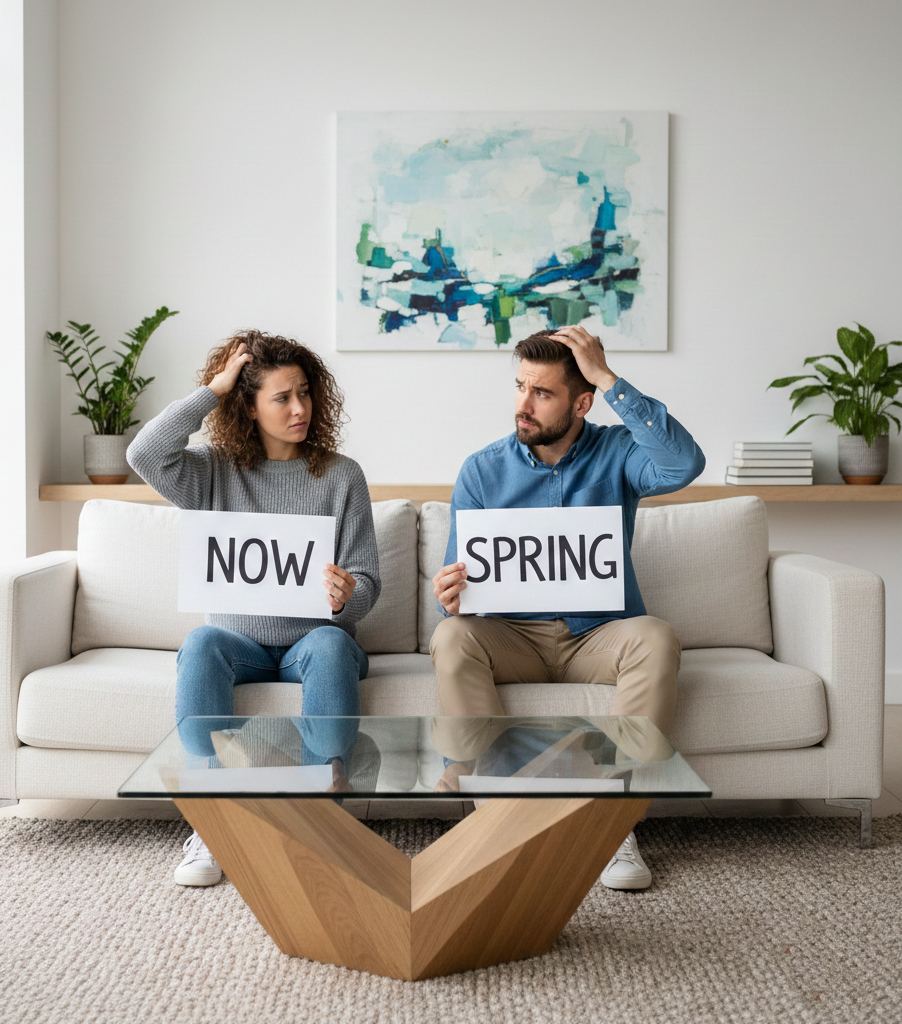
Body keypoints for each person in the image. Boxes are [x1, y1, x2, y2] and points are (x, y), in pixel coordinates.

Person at [430, 324, 704, 890]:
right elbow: (462, 592)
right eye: (519, 387)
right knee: (451, 639)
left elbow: (683, 465)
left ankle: (607, 825)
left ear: (582, 401)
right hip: (514, 638)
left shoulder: (618, 452)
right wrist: (452, 594)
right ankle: (499, 820)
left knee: (655, 637)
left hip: (597, 636)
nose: (523, 406)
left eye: (543, 393)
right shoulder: (482, 470)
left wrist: (610, 378)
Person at [127, 330, 380, 887]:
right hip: (239, 645)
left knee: (334, 643)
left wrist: (349, 593)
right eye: (282, 397)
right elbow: (143, 453)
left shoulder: (341, 475)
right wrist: (211, 391)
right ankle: (212, 820)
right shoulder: (210, 472)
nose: (300, 409)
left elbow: (368, 581)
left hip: (313, 642)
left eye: (306, 393)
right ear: (247, 405)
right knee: (199, 643)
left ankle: (323, 808)